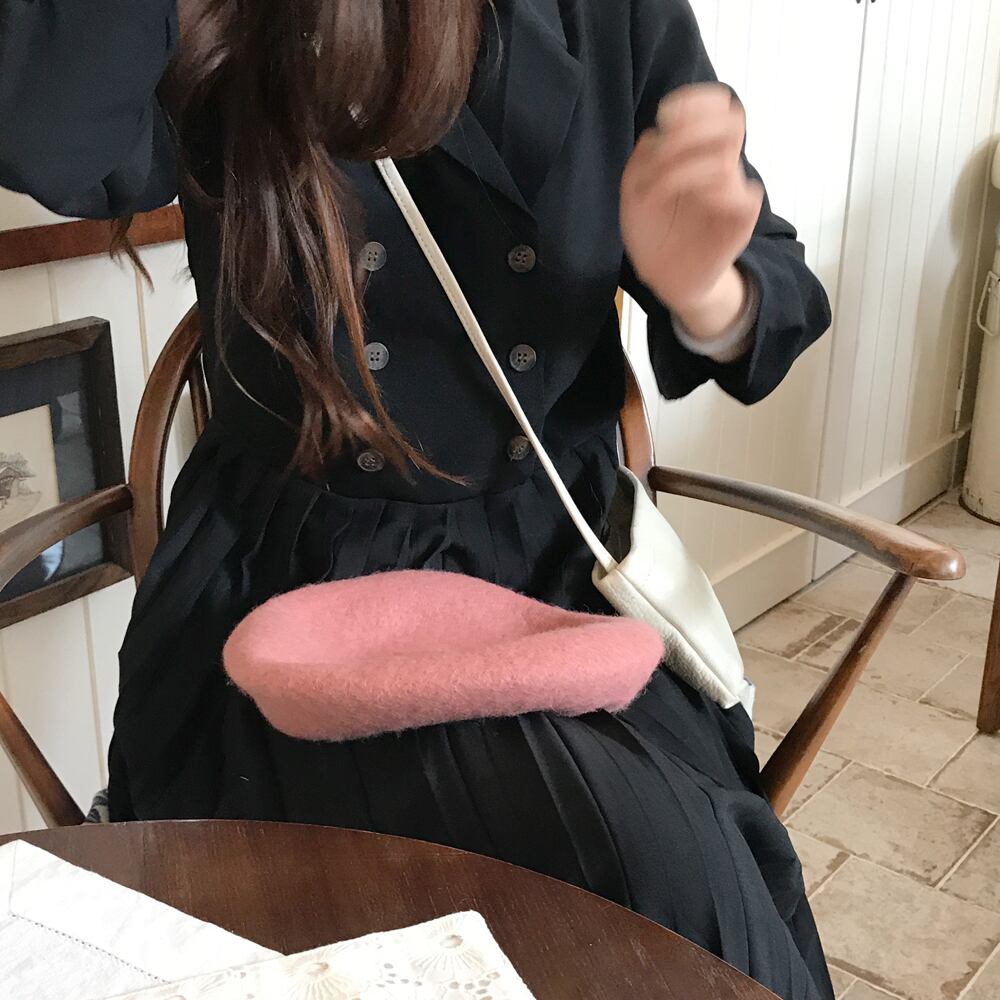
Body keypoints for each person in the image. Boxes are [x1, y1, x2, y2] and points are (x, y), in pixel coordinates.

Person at [0, 1, 834, 997]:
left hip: (551, 562)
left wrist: (707, 292)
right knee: (614, 878)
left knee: (687, 891)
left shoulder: (607, 12)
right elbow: (47, 127)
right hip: (287, 573)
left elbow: (771, 278)